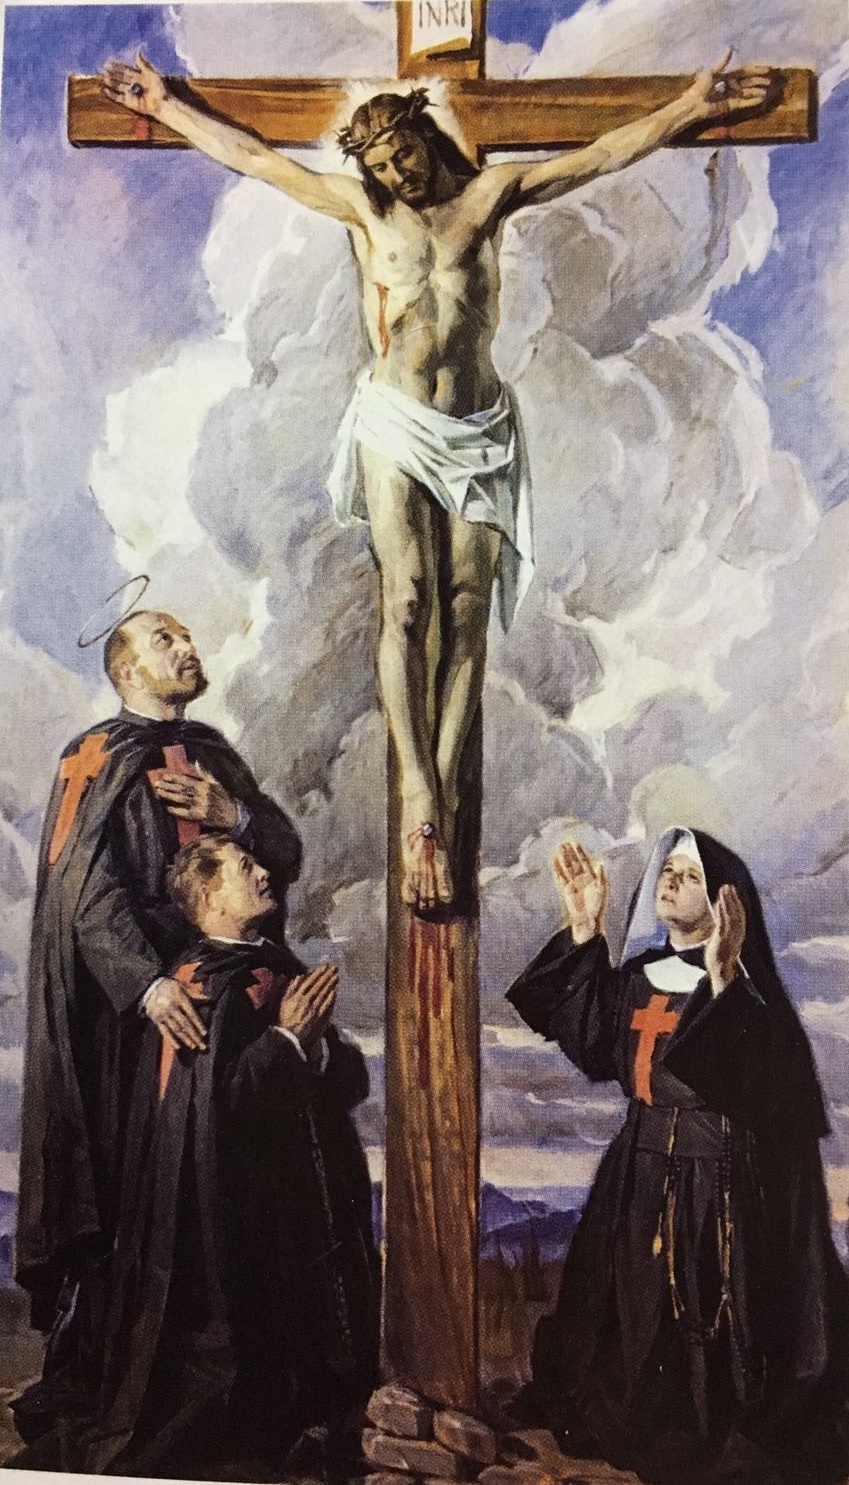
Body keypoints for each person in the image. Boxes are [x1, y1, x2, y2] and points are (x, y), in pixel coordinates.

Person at [101, 54, 772, 913]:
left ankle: (444, 793)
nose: (397, 175)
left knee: (466, 610)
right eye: (381, 167)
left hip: (479, 431)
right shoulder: (364, 212)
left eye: (404, 155)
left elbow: (601, 155)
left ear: (423, 134)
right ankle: (420, 796)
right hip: (395, 423)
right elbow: (255, 158)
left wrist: (688, 104)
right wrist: (166, 106)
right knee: (407, 600)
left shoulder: (488, 196)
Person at [14, 609, 302, 1445]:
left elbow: (282, 849)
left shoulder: (213, 754)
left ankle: (227, 1389)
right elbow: (83, 894)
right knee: (132, 1195)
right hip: (128, 1020)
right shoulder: (94, 756)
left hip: (220, 993)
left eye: (187, 635)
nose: (187, 646)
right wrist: (145, 985)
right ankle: (123, 1378)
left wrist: (236, 816)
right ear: (126, 669)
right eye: (164, 640)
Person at [11, 836, 379, 1478]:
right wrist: (288, 1039)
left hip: (287, 1205)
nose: (264, 873)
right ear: (209, 896)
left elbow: (344, 1081)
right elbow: (218, 1112)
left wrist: (313, 1046)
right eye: (245, 867)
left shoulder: (275, 966)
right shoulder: (199, 986)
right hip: (224, 1218)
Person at [506, 828, 849, 1485]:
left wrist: (722, 976)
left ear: (724, 904)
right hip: (635, 1175)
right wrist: (585, 930)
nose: (669, 879)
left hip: (718, 1184)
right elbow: (593, 1044)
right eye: (667, 869)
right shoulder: (637, 977)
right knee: (627, 1313)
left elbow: (764, 1086)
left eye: (689, 875)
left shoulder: (741, 989)